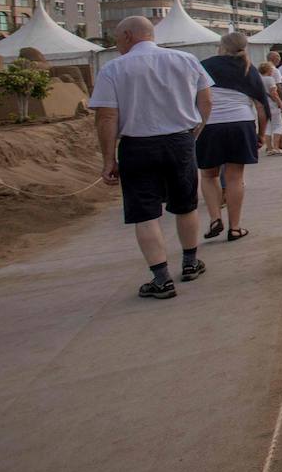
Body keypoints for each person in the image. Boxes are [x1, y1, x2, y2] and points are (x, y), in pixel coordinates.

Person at [90, 16, 213, 300]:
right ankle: (191, 262)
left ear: (129, 36)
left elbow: (107, 117)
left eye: (118, 38)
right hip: (179, 140)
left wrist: (109, 159)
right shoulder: (186, 60)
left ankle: (161, 279)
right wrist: (197, 129)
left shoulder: (113, 69)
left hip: (137, 145)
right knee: (186, 205)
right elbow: (206, 100)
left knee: (145, 213)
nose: (117, 44)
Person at [197, 32, 271, 241]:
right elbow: (261, 108)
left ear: (221, 46)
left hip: (210, 125)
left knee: (208, 176)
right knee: (235, 178)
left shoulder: (204, 65)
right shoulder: (249, 69)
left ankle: (214, 218)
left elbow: (194, 97)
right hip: (240, 123)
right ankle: (235, 227)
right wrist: (261, 134)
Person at [258, 61, 282, 155]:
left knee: (268, 127)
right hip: (272, 105)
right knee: (278, 125)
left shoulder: (258, 80)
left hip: (263, 106)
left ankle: (269, 148)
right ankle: (276, 147)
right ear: (268, 70)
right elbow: (274, 94)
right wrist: (281, 104)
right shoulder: (270, 79)